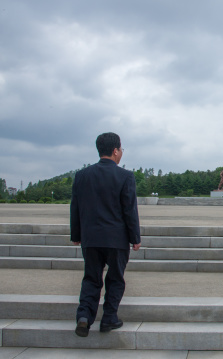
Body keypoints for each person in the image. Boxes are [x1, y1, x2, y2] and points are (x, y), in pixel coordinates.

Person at [71, 132, 141, 337]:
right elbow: (129, 210)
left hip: (91, 239)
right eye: (121, 150)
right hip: (116, 239)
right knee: (115, 279)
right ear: (116, 150)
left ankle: (84, 317)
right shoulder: (125, 176)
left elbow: (75, 207)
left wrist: (76, 234)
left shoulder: (82, 176)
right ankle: (109, 318)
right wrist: (135, 238)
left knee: (91, 278)